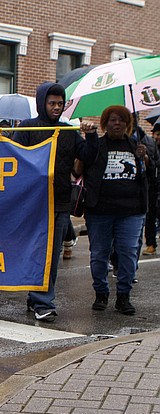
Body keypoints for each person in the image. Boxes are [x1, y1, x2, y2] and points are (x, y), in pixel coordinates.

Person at [12, 82, 98, 322]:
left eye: (60, 104)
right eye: (52, 103)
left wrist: (91, 137)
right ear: (42, 103)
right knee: (36, 251)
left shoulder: (69, 131)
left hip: (59, 202)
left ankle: (40, 299)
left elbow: (88, 156)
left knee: (51, 253)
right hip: (32, 202)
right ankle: (39, 299)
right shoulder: (27, 127)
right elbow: (13, 157)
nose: (56, 108)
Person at [83, 105, 150, 315]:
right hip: (99, 211)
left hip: (131, 212)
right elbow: (81, 167)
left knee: (128, 253)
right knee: (99, 254)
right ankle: (101, 293)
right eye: (112, 120)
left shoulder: (136, 147)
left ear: (128, 124)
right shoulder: (97, 146)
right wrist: (90, 138)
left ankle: (124, 296)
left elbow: (150, 175)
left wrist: (144, 159)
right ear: (105, 123)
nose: (117, 123)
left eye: (121, 120)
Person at [143, 121, 160, 255]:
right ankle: (151, 244)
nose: (158, 137)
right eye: (157, 134)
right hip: (152, 186)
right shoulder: (150, 145)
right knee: (150, 215)